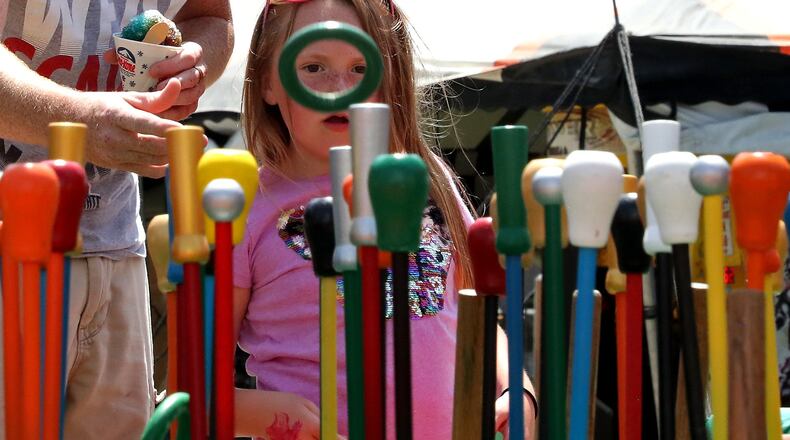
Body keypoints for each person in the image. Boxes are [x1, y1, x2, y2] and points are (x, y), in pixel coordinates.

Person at [232, 0, 536, 438]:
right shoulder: (247, 206)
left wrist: (518, 390)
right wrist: (266, 411)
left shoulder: (423, 179)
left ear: (388, 79)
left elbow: (475, 313)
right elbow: (195, 390)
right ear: (268, 84)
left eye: (360, 67)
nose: (340, 87)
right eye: (314, 67)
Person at [0, 1, 232, 438]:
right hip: (11, 247)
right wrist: (79, 119)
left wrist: (190, 68)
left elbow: (210, 16)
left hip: (119, 243)